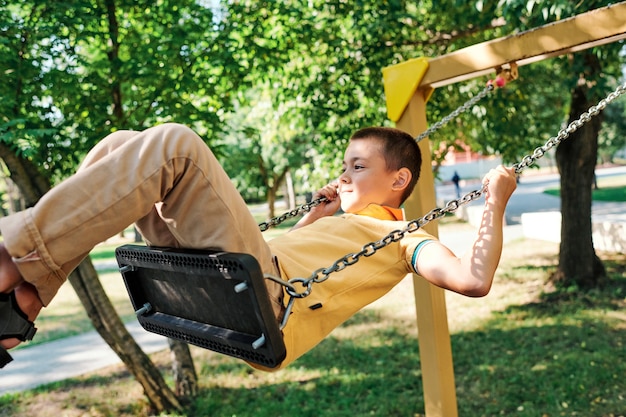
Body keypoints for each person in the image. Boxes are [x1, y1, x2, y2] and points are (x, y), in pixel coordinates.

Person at [0, 123, 517, 370]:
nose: (346, 174)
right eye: (346, 164)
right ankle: (20, 304)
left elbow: (474, 281)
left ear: (399, 178)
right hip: (244, 275)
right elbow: (286, 255)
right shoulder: (341, 225)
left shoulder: (407, 238)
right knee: (118, 144)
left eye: (359, 166)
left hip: (269, 307)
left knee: (176, 146)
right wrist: (318, 212)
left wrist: (495, 200)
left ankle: (9, 258)